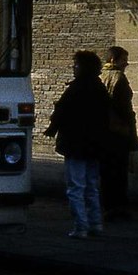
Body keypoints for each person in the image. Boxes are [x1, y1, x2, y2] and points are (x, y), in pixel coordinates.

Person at [44, 50, 112, 239]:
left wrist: (52, 128)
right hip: (94, 145)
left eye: (76, 64)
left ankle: (80, 226)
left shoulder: (75, 89)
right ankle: (95, 224)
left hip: (75, 144)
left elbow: (61, 112)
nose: (74, 68)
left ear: (83, 67)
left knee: (75, 187)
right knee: (91, 186)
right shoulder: (100, 89)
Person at [100, 46, 137, 219]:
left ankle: (106, 204)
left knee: (107, 171)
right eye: (124, 59)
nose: (126, 63)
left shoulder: (100, 76)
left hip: (104, 131)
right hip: (118, 131)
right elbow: (123, 107)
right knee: (119, 171)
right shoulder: (119, 78)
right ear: (114, 60)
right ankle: (117, 207)